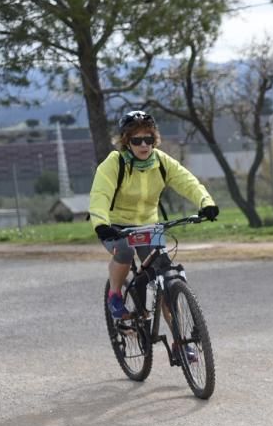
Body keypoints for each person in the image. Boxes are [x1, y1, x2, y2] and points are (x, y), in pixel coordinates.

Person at [88, 110, 220, 325]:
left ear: (154, 140)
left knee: (164, 275)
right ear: (126, 141)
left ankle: (180, 344)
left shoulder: (161, 161)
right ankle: (114, 295)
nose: (143, 145)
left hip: (149, 225)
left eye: (148, 139)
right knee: (124, 250)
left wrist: (206, 203)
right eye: (137, 140)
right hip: (116, 225)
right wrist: (101, 224)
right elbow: (100, 195)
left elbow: (187, 182)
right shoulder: (114, 163)